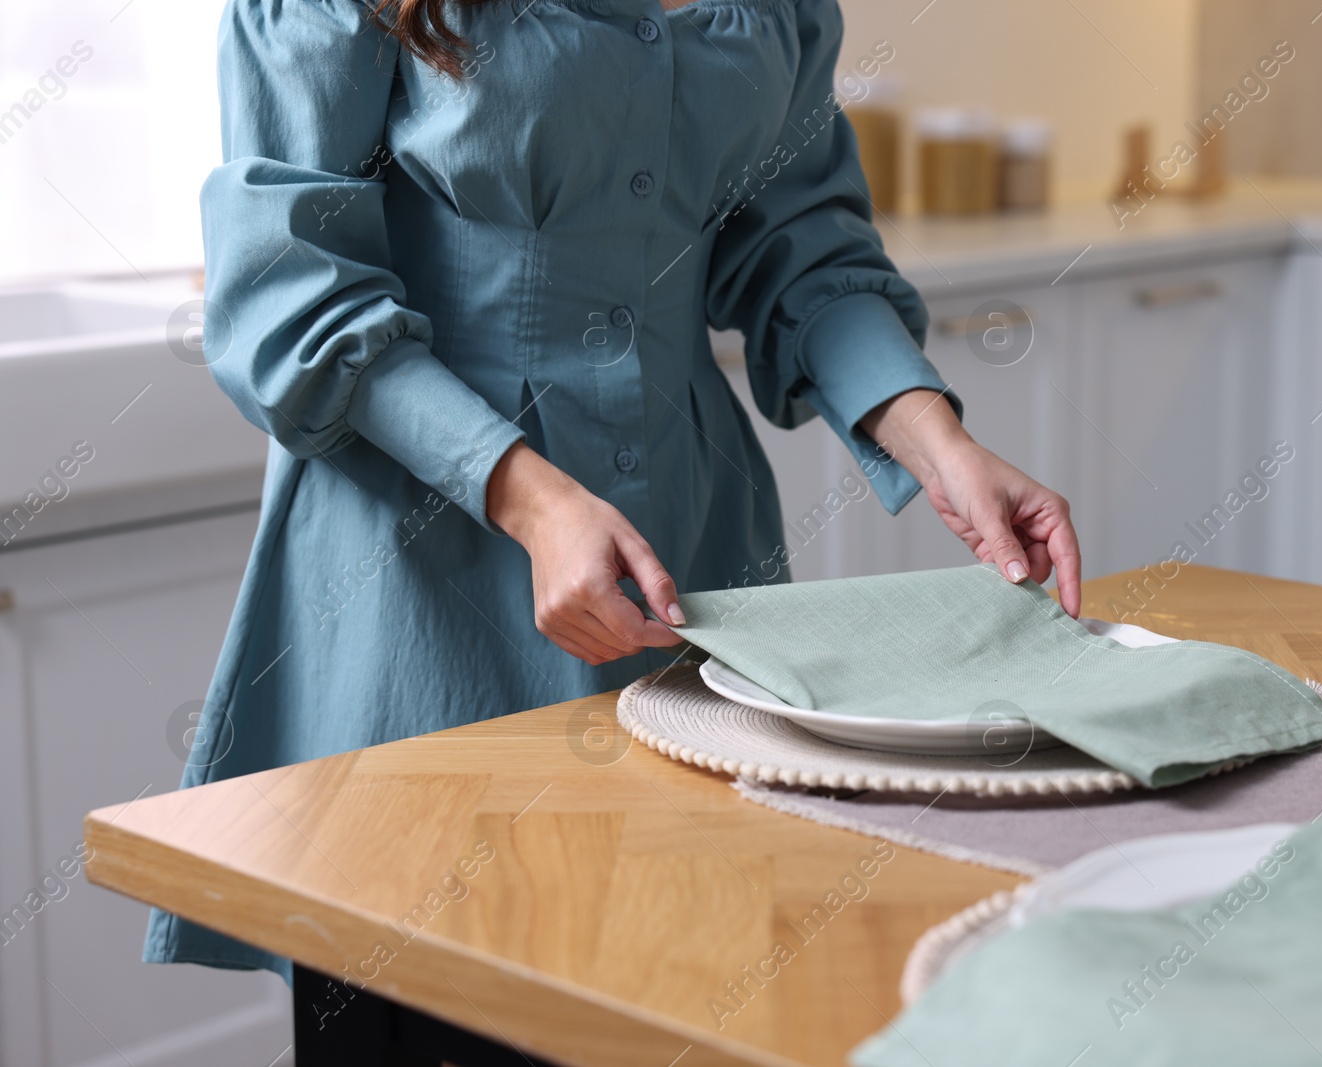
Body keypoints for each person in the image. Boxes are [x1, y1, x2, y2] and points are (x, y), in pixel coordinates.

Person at [145, 0, 1081, 980]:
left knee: (700, 962)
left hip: (695, 544)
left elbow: (799, 243)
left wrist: (939, 441)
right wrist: (532, 500)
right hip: (425, 557)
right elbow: (294, 287)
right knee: (435, 976)